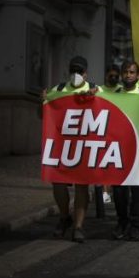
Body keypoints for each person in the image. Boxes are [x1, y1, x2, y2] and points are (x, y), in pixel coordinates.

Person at [43, 56, 99, 243]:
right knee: (58, 183)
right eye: (73, 71)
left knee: (82, 185)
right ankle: (64, 217)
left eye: (79, 71)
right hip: (61, 144)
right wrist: (43, 102)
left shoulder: (95, 89)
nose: (76, 74)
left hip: (84, 144)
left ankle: (78, 226)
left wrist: (94, 98)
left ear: (86, 73)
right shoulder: (58, 90)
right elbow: (43, 115)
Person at [112, 61, 139, 241]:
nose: (128, 75)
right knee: (119, 191)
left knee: (138, 191)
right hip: (118, 150)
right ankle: (122, 222)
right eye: (126, 72)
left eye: (132, 72)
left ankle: (136, 225)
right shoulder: (114, 94)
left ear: (138, 75)